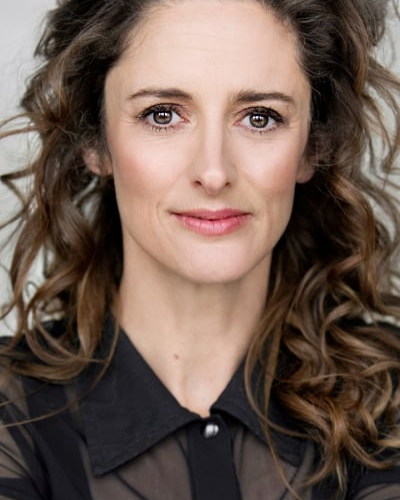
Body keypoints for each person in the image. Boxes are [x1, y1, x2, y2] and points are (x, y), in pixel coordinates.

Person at [0, 0, 400, 498]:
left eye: (260, 117)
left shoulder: (389, 398)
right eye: (163, 115)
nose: (213, 173)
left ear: (313, 146)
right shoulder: (10, 414)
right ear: (95, 141)